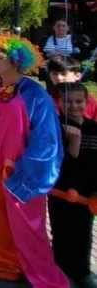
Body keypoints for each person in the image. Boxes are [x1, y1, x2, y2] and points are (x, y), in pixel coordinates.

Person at [0, 35, 67, 285]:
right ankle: (5, 263)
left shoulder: (35, 94)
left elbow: (47, 140)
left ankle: (45, 278)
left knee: (28, 228)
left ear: (16, 60)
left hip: (19, 173)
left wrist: (28, 175)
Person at [49, 83, 96, 288]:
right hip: (61, 190)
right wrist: (73, 141)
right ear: (58, 102)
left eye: (79, 101)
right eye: (66, 101)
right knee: (61, 231)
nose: (73, 106)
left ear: (87, 102)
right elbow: (62, 164)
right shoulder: (54, 127)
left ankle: (82, 272)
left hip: (86, 192)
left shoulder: (94, 129)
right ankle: (60, 270)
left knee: (83, 232)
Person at [48, 56, 97, 120]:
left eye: (64, 74)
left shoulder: (88, 99)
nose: (59, 78)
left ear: (77, 76)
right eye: (55, 74)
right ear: (50, 75)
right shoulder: (46, 98)